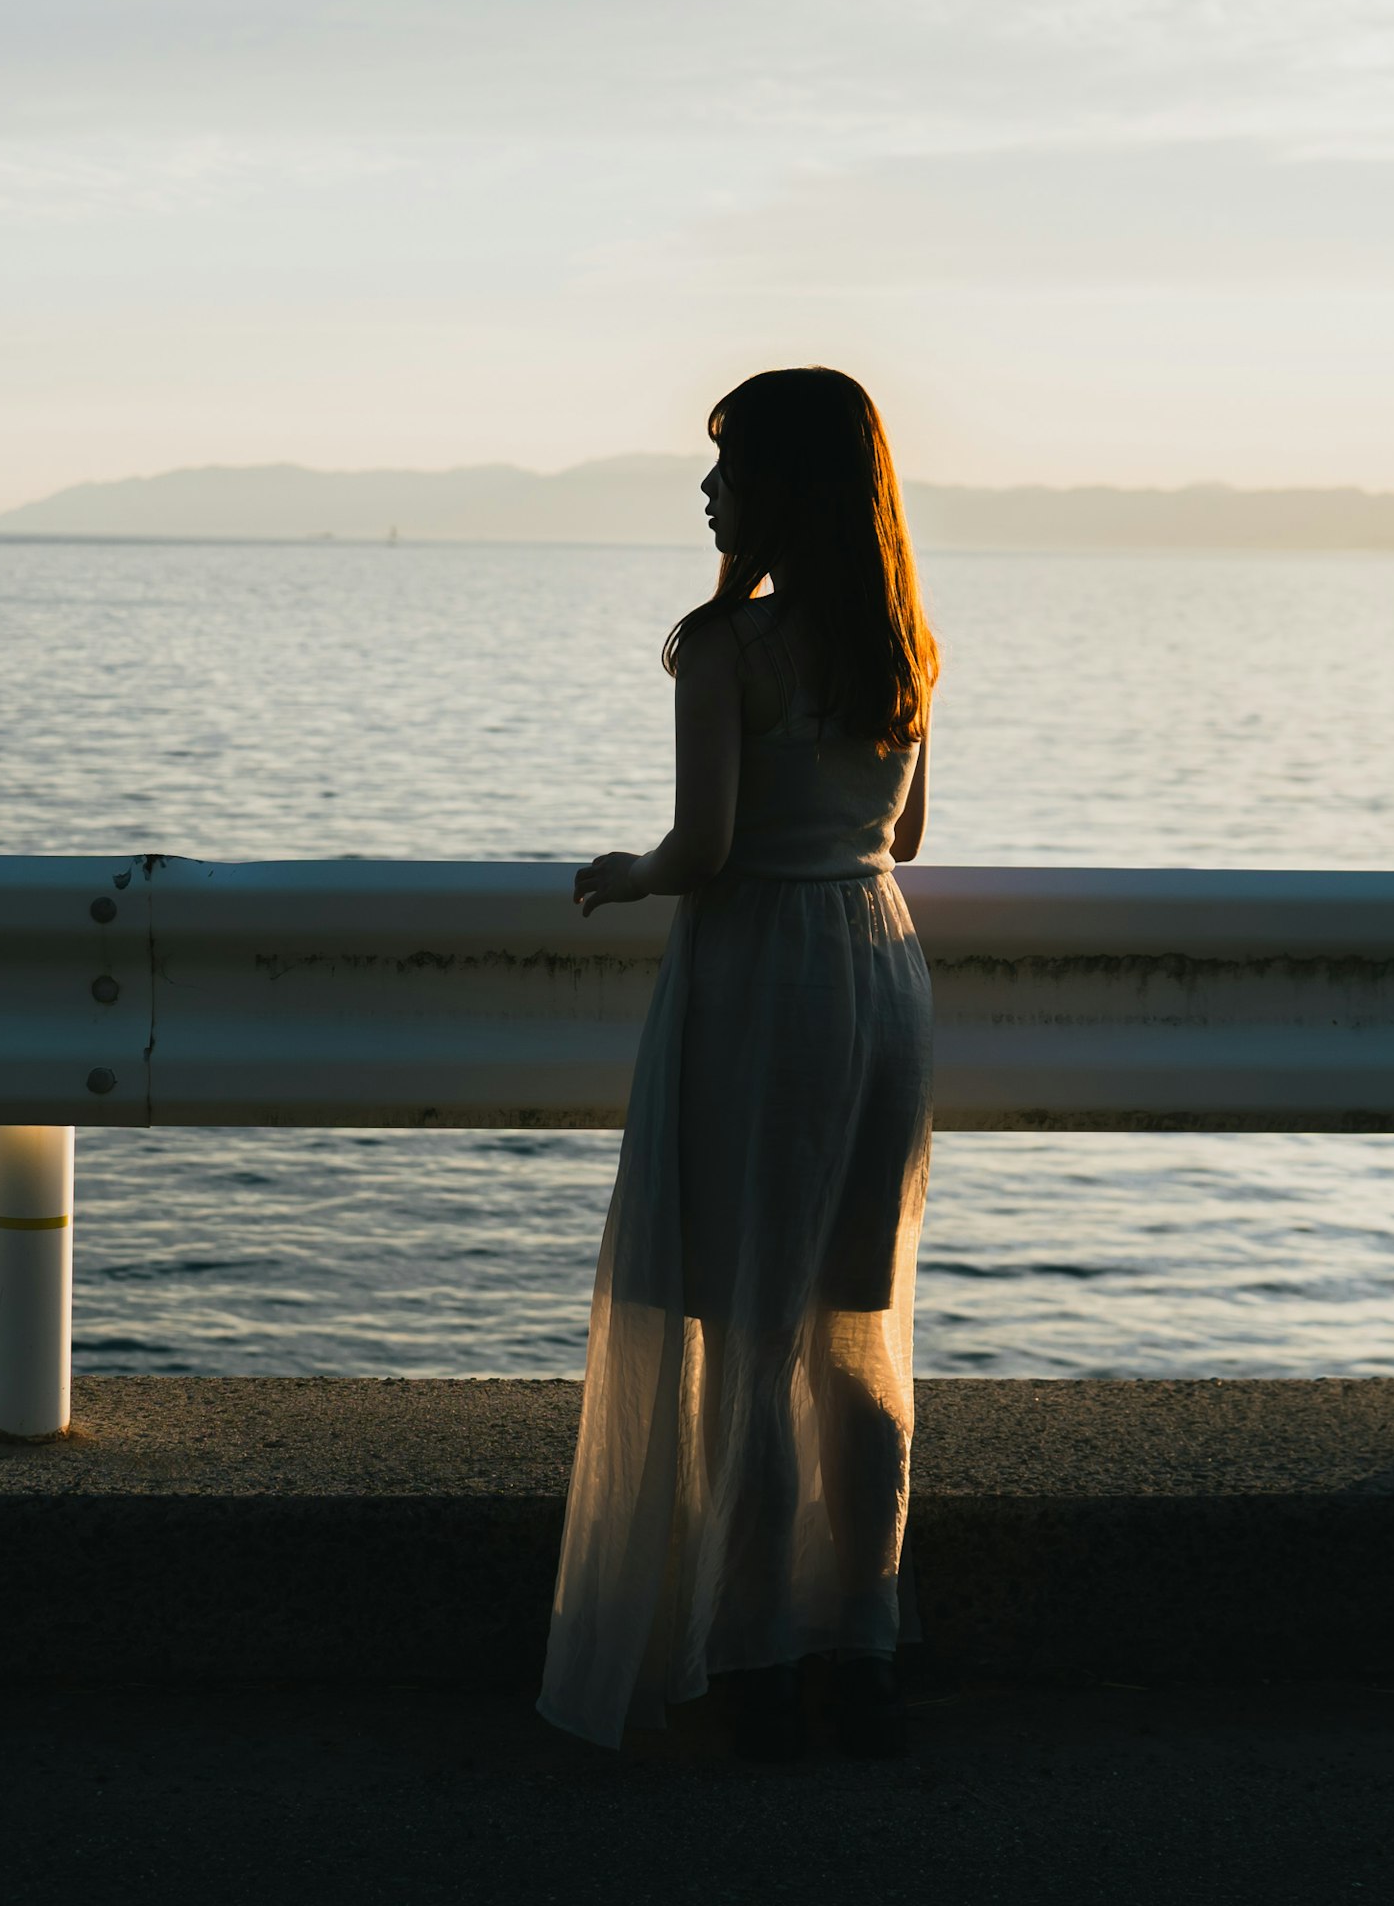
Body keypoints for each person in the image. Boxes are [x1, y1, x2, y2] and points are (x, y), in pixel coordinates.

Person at [541, 367, 939, 1760]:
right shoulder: (901, 644)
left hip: (763, 972)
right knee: (853, 1327)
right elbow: (910, 839)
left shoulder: (725, 650)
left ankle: (758, 1653)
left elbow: (704, 851)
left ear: (782, 488)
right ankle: (867, 1646)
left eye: (728, 465)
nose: (708, 490)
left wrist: (624, 874)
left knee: (751, 1334)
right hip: (880, 968)